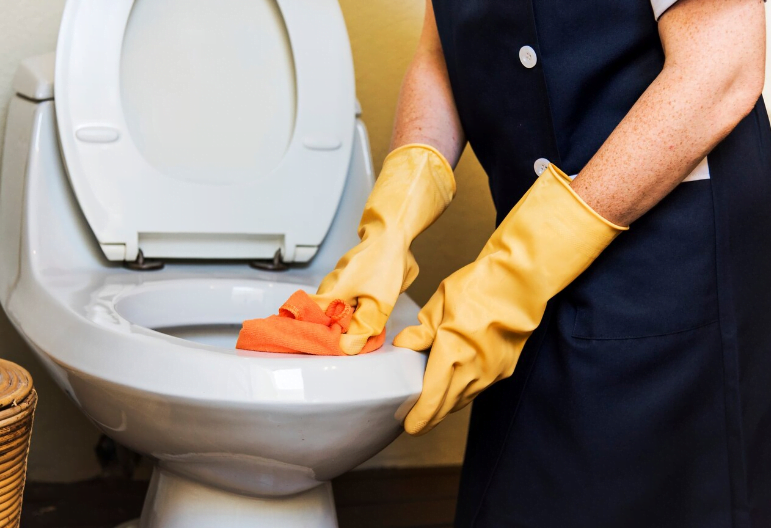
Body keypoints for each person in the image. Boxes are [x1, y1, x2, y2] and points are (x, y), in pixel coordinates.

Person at [312, 0, 770, 525]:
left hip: (672, 255)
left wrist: (516, 271)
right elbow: (439, 56)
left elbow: (722, 69)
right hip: (531, 255)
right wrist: (395, 214)